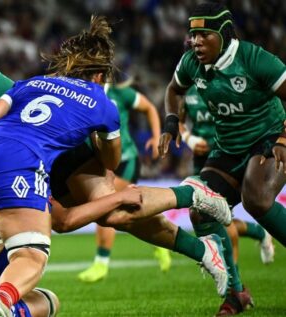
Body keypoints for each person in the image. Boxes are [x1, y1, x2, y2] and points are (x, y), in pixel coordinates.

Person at [0, 16, 233, 317]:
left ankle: (193, 201)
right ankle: (202, 240)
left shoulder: (28, 83)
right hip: (29, 159)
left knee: (111, 213)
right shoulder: (100, 102)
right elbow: (108, 164)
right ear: (100, 74)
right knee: (85, 217)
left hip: (35, 157)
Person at [159, 2, 286, 315]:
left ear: (224, 35)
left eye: (204, 34)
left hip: (269, 137)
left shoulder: (255, 59)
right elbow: (174, 90)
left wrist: (283, 137)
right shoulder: (190, 63)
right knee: (201, 212)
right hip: (227, 147)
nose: (196, 41)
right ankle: (235, 293)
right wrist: (172, 121)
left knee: (255, 198)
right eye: (193, 35)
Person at [78, 79, 170, 283]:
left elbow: (148, 108)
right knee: (123, 210)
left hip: (125, 159)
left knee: (104, 206)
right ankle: (159, 238)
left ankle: (101, 263)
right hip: (102, 162)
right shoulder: (81, 94)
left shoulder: (121, 93)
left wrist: (156, 137)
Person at [180, 85, 275, 264]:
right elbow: (179, 121)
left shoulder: (224, 84)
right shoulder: (188, 92)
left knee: (222, 220)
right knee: (208, 217)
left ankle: (234, 280)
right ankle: (259, 233)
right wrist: (189, 139)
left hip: (225, 156)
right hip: (200, 159)